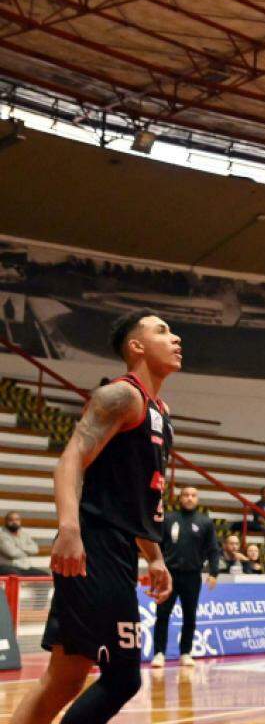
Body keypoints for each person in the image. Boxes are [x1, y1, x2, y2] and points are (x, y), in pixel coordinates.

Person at [13, 309, 176, 724]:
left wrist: (154, 556)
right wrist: (69, 530)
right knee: (122, 679)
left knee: (65, 680)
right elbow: (70, 460)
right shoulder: (121, 396)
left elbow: (135, 495)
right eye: (163, 331)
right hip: (95, 546)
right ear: (136, 347)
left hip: (119, 548)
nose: (175, 338)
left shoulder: (160, 410)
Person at [151, 486, 219, 668]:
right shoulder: (168, 519)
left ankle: (185, 653)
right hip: (169, 575)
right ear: (179, 498)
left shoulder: (205, 522)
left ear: (197, 499)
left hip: (192, 576)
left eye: (193, 495)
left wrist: (214, 572)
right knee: (162, 614)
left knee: (190, 616)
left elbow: (213, 549)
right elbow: (156, 545)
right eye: (186, 495)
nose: (189, 498)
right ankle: (158, 653)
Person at [1, 511, 48, 576]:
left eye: (17, 520)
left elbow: (35, 549)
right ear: (6, 521)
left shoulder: (24, 534)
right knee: (15, 576)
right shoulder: (2, 534)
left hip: (24, 567)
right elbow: (12, 553)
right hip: (7, 566)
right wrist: (27, 552)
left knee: (45, 576)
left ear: (20, 521)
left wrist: (18, 546)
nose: (14, 522)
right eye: (11, 520)